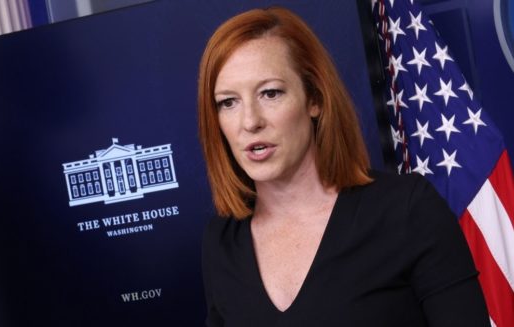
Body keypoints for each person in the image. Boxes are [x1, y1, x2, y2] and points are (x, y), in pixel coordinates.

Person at [198, 6, 490, 327]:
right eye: (228, 102)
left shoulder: (407, 209)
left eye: (270, 93)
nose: (250, 121)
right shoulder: (222, 242)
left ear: (315, 99)